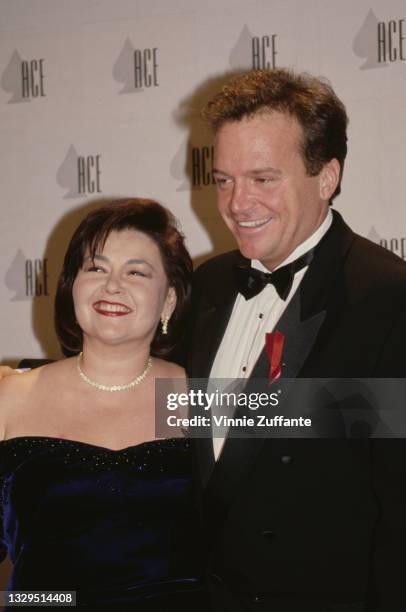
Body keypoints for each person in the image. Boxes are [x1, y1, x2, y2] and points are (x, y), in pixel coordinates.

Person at [187, 69, 406, 611]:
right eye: (224, 180)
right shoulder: (205, 286)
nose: (238, 203)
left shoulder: (388, 300)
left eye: (263, 178)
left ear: (326, 177)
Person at [0, 198, 208, 610]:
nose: (112, 285)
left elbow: (362, 415)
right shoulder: (13, 396)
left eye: (136, 272)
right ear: (71, 286)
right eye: (96, 268)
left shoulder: (201, 396)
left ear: (168, 301)